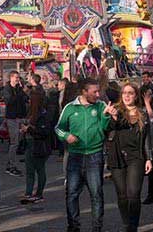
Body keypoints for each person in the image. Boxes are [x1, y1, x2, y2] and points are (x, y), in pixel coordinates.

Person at [55, 78, 116, 232]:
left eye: (98, 91)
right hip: (75, 156)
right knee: (72, 194)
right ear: (84, 91)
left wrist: (108, 116)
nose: (98, 94)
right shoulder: (70, 107)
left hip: (95, 155)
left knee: (96, 194)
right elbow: (58, 128)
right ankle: (73, 226)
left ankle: (96, 228)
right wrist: (66, 135)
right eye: (94, 91)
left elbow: (105, 127)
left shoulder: (101, 106)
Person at [106, 84, 153, 232]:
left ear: (136, 95)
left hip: (136, 157)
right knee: (122, 195)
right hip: (117, 156)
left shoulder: (143, 114)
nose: (127, 96)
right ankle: (126, 223)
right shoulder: (115, 110)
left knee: (133, 194)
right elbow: (106, 131)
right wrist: (113, 117)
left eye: (130, 93)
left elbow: (147, 138)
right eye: (124, 93)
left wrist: (149, 158)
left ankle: (132, 227)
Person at [20, 74, 51, 204]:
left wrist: (28, 129)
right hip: (32, 142)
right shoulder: (36, 112)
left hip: (38, 144)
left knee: (38, 168)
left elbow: (42, 131)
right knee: (31, 168)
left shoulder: (42, 114)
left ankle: (38, 193)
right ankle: (29, 192)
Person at [2, 70, 27, 176]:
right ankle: (11, 166)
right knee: (14, 142)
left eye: (18, 77)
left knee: (19, 139)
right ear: (11, 78)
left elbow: (25, 99)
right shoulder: (7, 89)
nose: (17, 79)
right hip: (12, 117)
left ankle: (10, 163)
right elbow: (9, 102)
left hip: (20, 117)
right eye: (16, 77)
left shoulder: (18, 88)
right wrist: (20, 93)